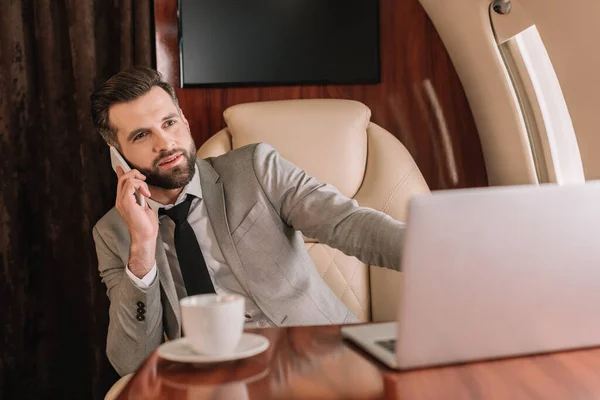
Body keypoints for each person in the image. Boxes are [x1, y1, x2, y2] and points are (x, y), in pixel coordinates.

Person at [91, 67, 405, 376]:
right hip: (216, 381)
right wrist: (142, 249)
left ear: (185, 122)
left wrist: (433, 249)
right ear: (118, 155)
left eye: (170, 122)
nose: (165, 143)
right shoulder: (113, 234)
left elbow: (348, 224)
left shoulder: (255, 170)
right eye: (142, 135)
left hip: (322, 357)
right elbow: (130, 362)